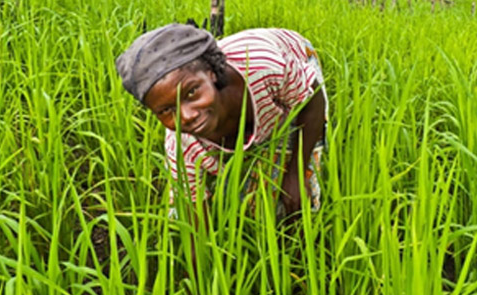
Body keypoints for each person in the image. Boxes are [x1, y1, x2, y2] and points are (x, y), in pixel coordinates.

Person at [115, 23, 327, 221]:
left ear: (210, 74)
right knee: (195, 207)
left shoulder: (266, 67)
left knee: (296, 195)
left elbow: (313, 100)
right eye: (166, 110)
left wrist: (295, 173)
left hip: (294, 61)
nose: (186, 116)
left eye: (191, 92)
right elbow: (193, 214)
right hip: (251, 103)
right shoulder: (181, 143)